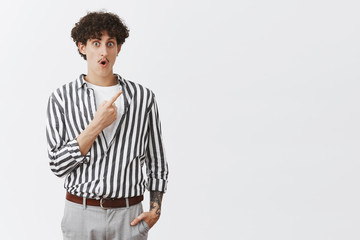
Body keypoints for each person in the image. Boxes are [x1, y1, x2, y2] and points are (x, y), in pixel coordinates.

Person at [46, 11, 169, 240]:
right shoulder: (61, 98)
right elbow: (57, 165)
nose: (104, 51)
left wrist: (155, 210)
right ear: (82, 47)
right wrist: (96, 126)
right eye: (96, 43)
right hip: (80, 214)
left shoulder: (143, 97)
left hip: (129, 215)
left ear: (118, 49)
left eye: (110, 43)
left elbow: (157, 160)